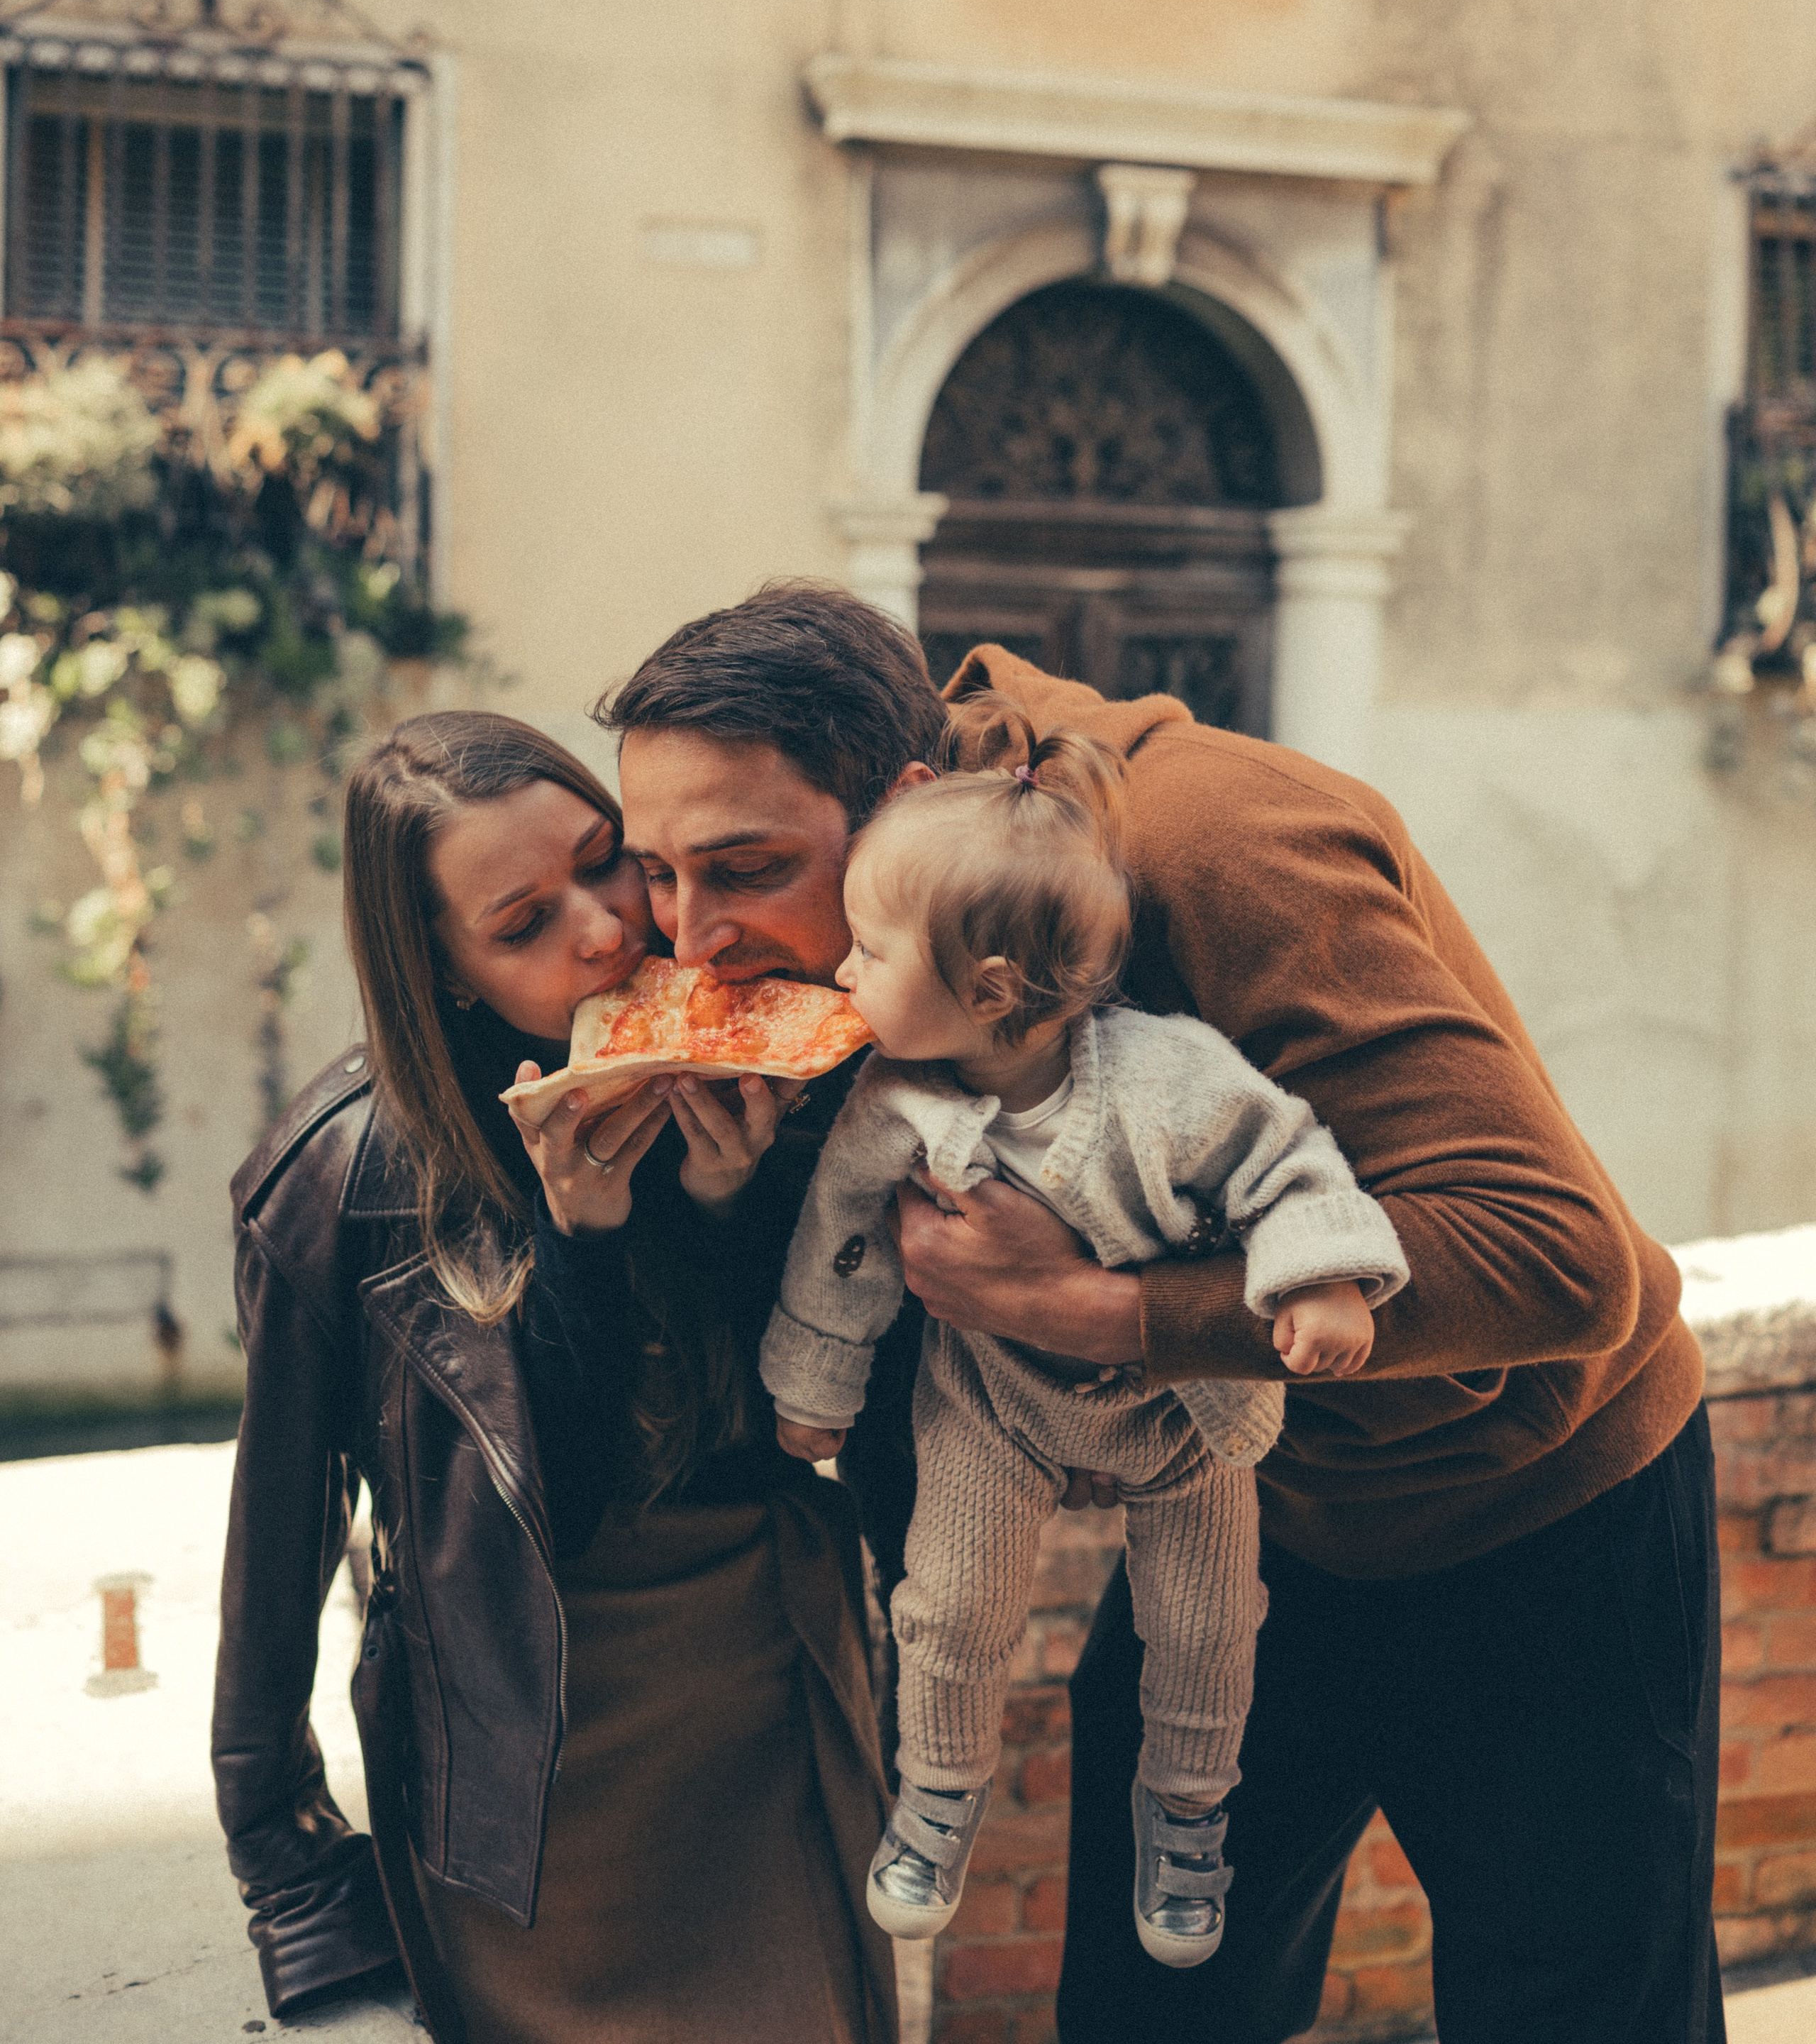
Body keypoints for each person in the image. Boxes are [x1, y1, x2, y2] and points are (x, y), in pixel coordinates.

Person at [602, 582, 1723, 2044]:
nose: (694, 941)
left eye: (742, 866)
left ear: (905, 799)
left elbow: (1563, 1259)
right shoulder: (870, 943)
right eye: (656, 876)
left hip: (1541, 1517)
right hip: (1253, 1505)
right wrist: (714, 1194)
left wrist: (1101, 1309)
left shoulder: (1218, 842)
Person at [210, 711, 897, 2044]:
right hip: (530, 1781)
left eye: (606, 862)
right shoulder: (340, 1182)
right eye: (523, 924)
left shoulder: (761, 1054)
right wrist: (298, 1894)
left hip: (770, 1699)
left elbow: (800, 1422)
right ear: (449, 974)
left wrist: (724, 1208)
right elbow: (285, 1550)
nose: (603, 931)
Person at [756, 707, 1406, 1967]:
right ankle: (938, 1794)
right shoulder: (890, 1102)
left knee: (1211, 1621)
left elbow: (1292, 1164)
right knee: (945, 1607)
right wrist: (818, 1384)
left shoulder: (1172, 1083)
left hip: (1183, 1414)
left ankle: (1187, 1815)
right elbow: (841, 1241)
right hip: (992, 1403)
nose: (843, 971)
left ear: (988, 990)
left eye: (870, 948)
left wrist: (1321, 1284)